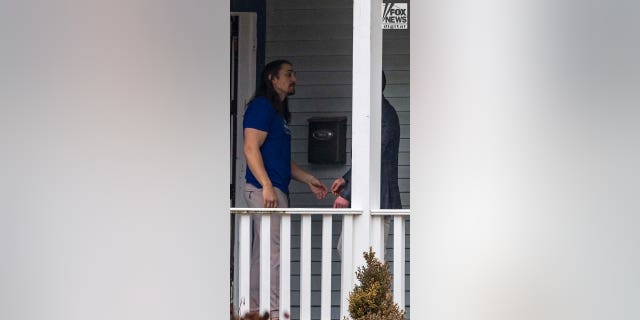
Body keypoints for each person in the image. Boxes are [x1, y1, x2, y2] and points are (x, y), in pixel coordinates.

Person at [243, 59, 328, 319]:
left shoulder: (277, 113)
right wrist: (267, 186)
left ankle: (257, 310)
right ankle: (276, 313)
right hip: (264, 190)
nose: (294, 79)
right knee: (273, 254)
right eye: (289, 74)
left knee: (264, 254)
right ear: (273, 78)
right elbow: (250, 147)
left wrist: (308, 178)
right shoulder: (261, 107)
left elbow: (280, 159)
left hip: (273, 189)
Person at [332, 71, 402, 255]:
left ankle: (376, 286)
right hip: (368, 195)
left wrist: (347, 193)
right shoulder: (375, 113)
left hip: (377, 197)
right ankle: (363, 285)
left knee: (370, 255)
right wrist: (346, 179)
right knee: (350, 250)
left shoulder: (383, 115)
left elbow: (374, 157)